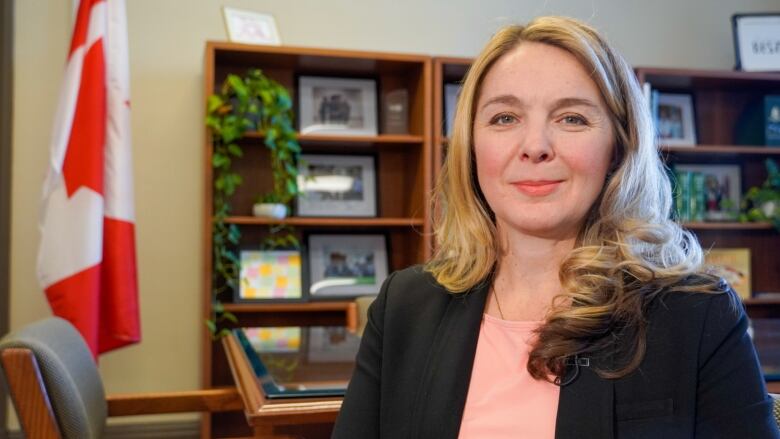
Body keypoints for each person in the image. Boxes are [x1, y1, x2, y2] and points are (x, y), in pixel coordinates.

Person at [332, 16, 779, 439]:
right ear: (472, 145)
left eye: (572, 118)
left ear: (619, 148)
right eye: (504, 117)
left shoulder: (695, 314)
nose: (535, 147)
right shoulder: (404, 307)